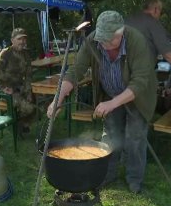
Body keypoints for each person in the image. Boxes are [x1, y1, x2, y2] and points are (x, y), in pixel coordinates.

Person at [47, 11, 157, 194]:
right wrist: (57, 100)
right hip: (109, 94)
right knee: (111, 137)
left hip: (137, 96)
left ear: (120, 33)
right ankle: (107, 174)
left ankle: (134, 180)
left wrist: (113, 103)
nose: (104, 45)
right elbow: (76, 71)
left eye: (109, 41)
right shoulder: (93, 41)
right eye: (102, 40)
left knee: (135, 138)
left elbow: (140, 82)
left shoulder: (136, 41)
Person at [126, 0, 171, 81]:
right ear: (156, 9)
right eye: (160, 11)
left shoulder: (128, 19)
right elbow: (167, 53)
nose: (160, 15)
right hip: (140, 71)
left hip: (122, 69)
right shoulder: (153, 23)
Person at [0, 28, 36, 133]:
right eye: (19, 39)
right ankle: (19, 125)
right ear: (12, 40)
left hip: (21, 87)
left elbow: (29, 74)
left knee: (41, 102)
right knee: (29, 108)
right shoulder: (6, 53)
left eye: (24, 39)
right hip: (7, 89)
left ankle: (23, 124)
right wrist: (6, 86)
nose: (22, 41)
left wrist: (28, 89)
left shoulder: (26, 54)